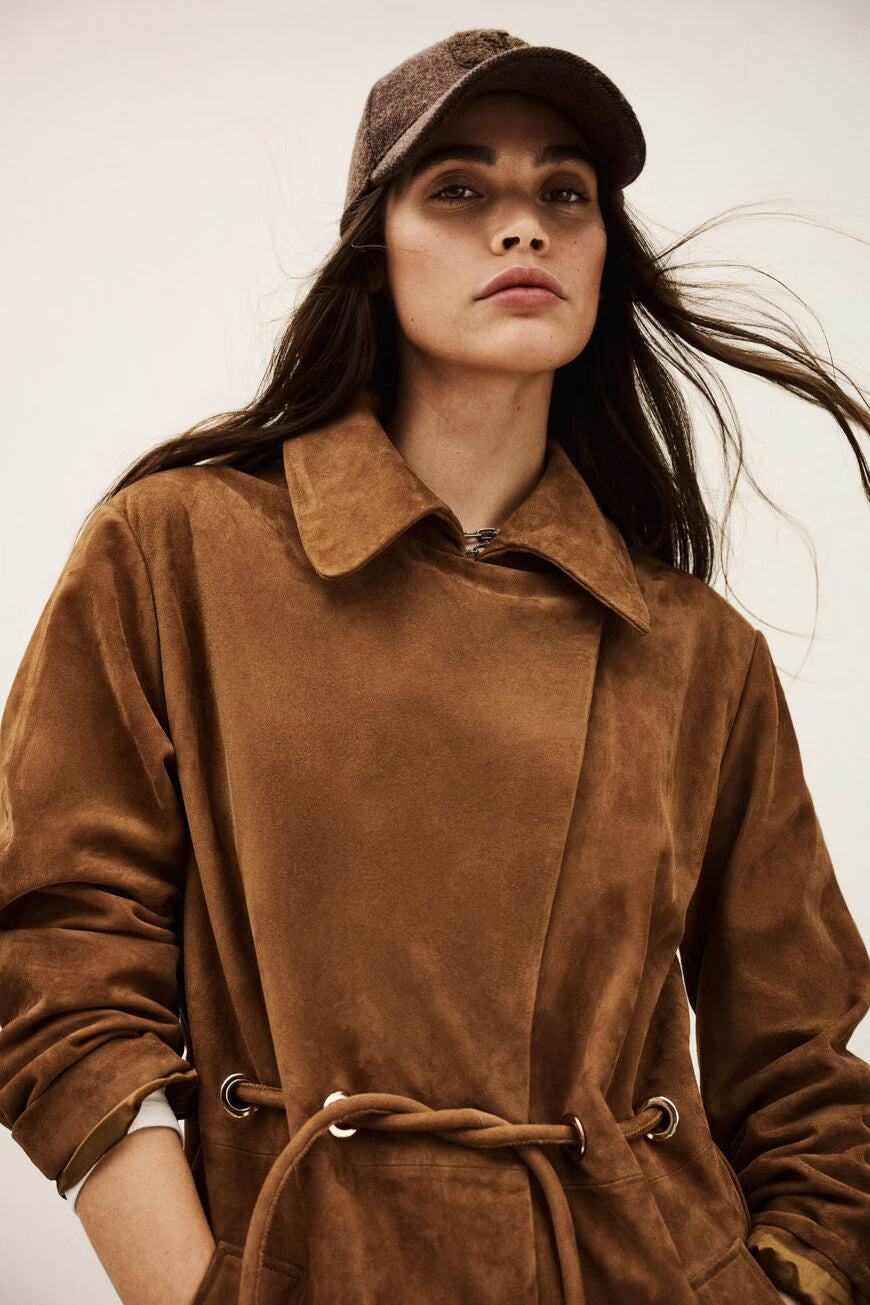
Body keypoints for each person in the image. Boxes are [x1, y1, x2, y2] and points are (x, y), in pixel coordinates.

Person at [1, 25, 868, 1305]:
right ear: (376, 248)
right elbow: (54, 954)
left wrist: (790, 1282)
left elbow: (799, 1063)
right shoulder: (176, 552)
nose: (522, 229)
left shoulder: (696, 654)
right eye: (459, 189)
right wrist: (198, 1291)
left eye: (563, 195)